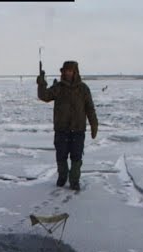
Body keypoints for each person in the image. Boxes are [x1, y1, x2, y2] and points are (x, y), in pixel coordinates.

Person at [37, 60, 98, 191]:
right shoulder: (58, 87)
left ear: (75, 72)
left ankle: (74, 181)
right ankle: (62, 177)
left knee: (76, 156)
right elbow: (44, 96)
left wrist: (94, 124)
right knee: (61, 155)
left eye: (70, 71)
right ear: (63, 72)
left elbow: (90, 109)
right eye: (66, 71)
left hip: (78, 130)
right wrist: (41, 82)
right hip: (61, 129)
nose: (68, 73)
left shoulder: (83, 89)